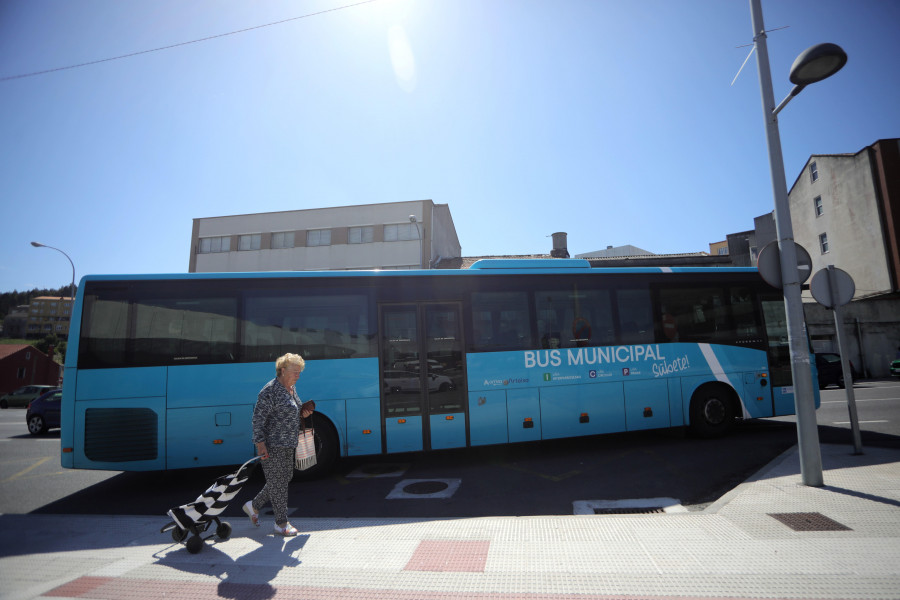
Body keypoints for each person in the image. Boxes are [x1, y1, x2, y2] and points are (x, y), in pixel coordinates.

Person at [243, 352, 315, 536]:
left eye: (299, 372)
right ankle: (281, 524)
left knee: (284, 478)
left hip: (289, 442)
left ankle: (254, 505)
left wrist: (303, 412)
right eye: (294, 372)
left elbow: (296, 407)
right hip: (272, 444)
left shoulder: (291, 388)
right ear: (282, 370)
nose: (298, 376)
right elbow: (257, 420)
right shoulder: (269, 391)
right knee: (278, 483)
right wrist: (260, 444)